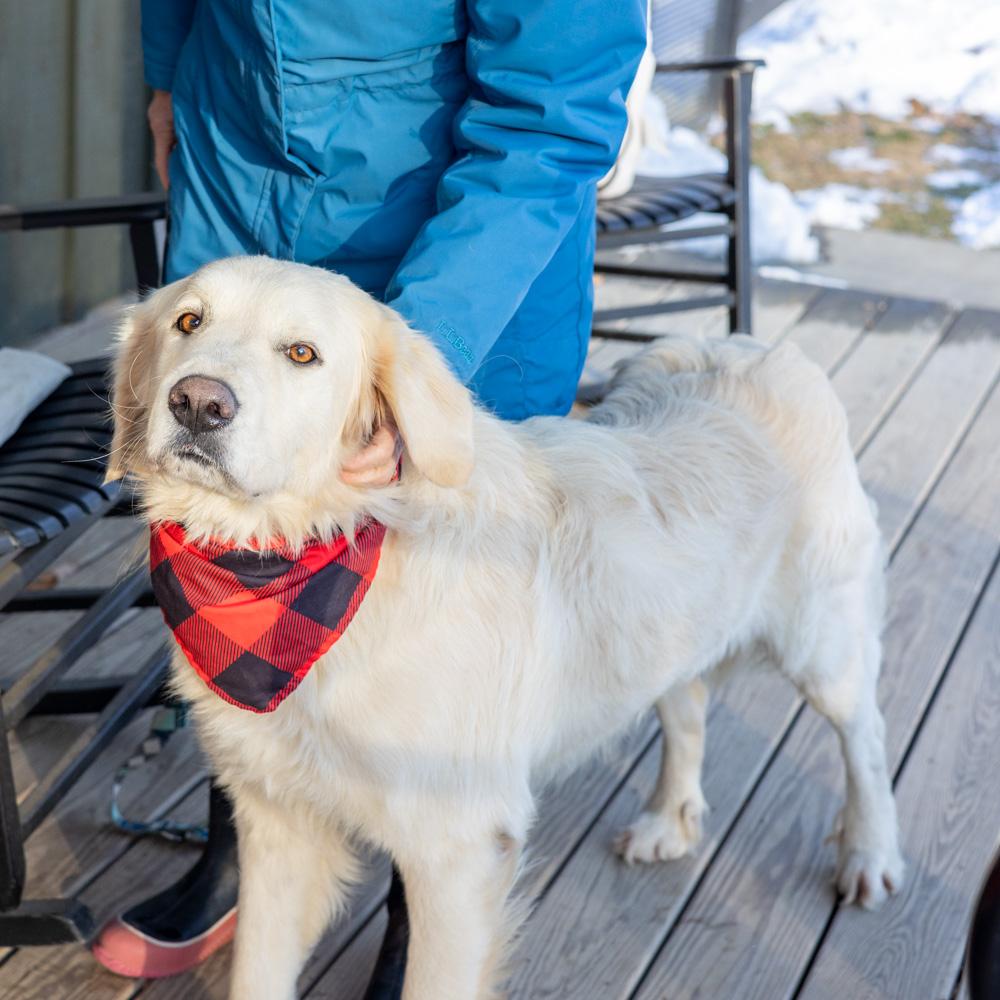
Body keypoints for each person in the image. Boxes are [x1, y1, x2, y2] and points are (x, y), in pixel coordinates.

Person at [92, 0, 646, 984]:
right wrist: (172, 75)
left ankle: (415, 912)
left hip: (451, 237)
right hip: (240, 169)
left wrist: (410, 358)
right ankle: (246, 851)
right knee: (221, 547)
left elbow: (550, 106)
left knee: (442, 632)